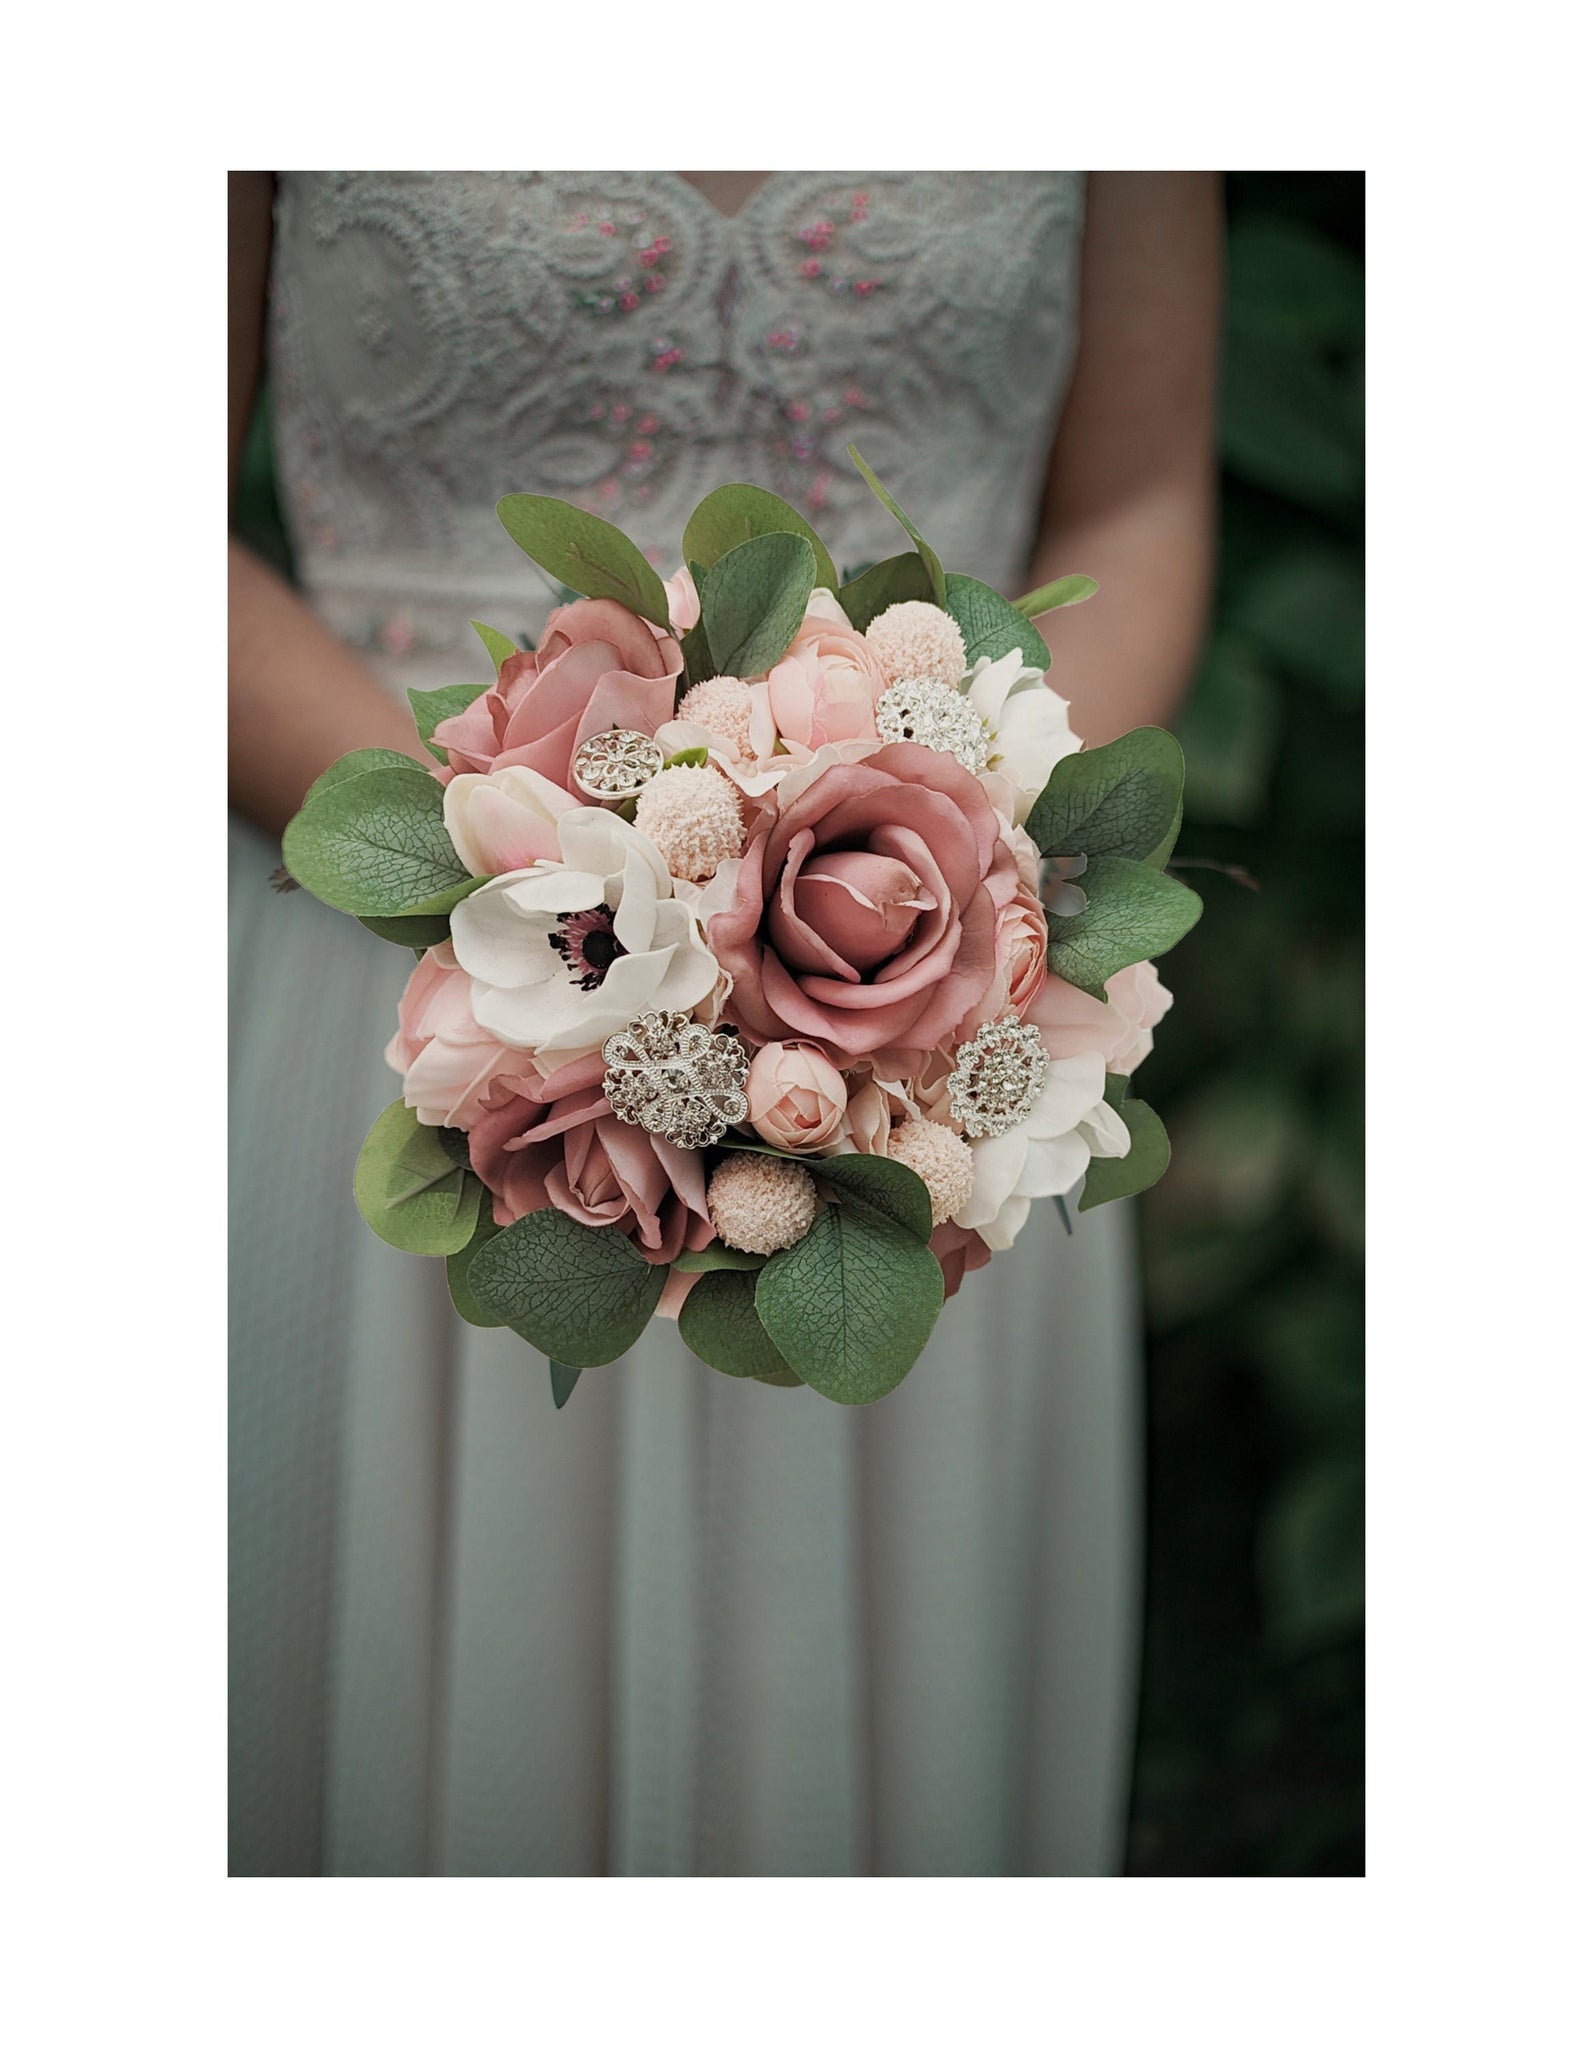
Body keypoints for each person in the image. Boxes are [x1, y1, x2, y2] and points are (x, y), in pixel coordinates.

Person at [228, 170, 1220, 1876]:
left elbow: (1131, 496)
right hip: (431, 986)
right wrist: (573, 883)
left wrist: (953, 878)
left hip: (942, 1051)